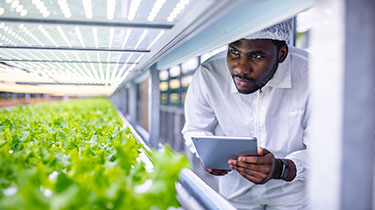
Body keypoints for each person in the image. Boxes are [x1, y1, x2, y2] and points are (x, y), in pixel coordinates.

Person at [182, 19, 310, 209]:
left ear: (281, 54)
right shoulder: (209, 74)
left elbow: (326, 149)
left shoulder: (313, 74)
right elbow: (195, 129)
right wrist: (207, 155)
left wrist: (282, 168)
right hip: (235, 197)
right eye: (234, 52)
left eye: (256, 56)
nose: (241, 68)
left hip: (294, 199)